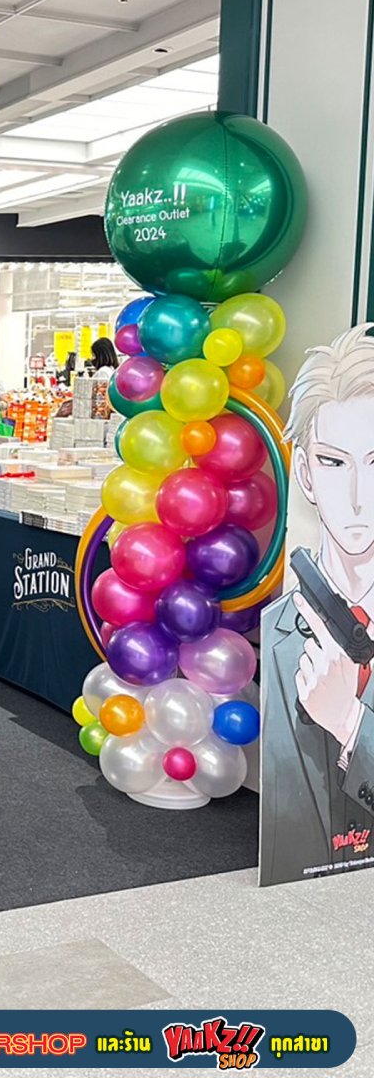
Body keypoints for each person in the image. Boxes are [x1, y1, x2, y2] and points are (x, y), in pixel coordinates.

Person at [262, 323, 374, 886]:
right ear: (305, 473)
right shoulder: (277, 632)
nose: (357, 497)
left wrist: (350, 723)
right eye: (334, 462)